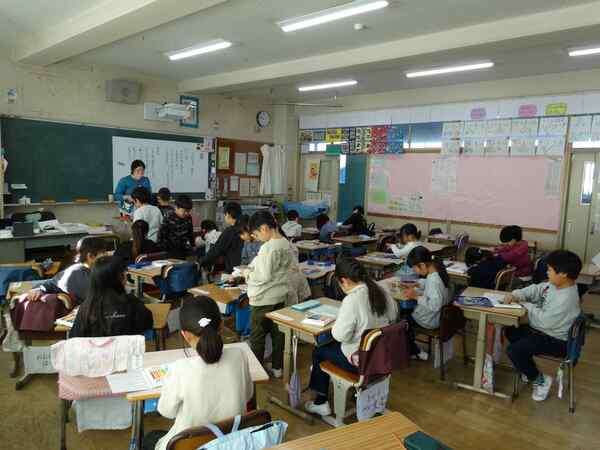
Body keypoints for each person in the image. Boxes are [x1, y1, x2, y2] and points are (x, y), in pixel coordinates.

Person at [142, 296, 253, 450]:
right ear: (221, 326)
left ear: (185, 335)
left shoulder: (180, 368)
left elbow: (166, 411)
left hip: (190, 445)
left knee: (149, 439)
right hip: (230, 443)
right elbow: (247, 395)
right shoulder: (239, 355)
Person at [305, 258, 398, 416]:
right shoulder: (380, 289)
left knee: (319, 351)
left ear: (344, 280)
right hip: (382, 357)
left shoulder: (352, 300)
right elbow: (393, 316)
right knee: (332, 348)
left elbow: (339, 335)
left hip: (362, 362)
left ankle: (321, 402)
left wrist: (341, 322)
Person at [502, 250, 582, 402]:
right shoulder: (556, 285)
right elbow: (538, 289)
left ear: (563, 274)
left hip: (558, 341)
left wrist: (525, 305)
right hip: (546, 332)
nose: (547, 272)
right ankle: (527, 368)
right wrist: (516, 295)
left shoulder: (566, 298)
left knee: (514, 350)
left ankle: (541, 380)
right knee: (511, 331)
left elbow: (544, 321)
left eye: (550, 270)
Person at [243, 211, 296, 378]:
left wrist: (247, 274)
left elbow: (263, 276)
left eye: (257, 234)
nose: (258, 238)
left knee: (257, 336)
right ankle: (277, 367)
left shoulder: (269, 247)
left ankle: (257, 370)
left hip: (263, 299)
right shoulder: (285, 242)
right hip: (280, 296)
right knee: (277, 334)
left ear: (264, 228)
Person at [70, 256, 153, 337]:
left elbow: (74, 337)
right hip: (128, 346)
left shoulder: (86, 308)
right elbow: (148, 324)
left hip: (96, 347)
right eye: (124, 274)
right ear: (120, 278)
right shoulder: (132, 303)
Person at [23, 238, 106, 305]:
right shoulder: (80, 274)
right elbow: (100, 299)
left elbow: (52, 282)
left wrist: (39, 289)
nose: (107, 255)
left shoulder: (79, 268)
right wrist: (39, 289)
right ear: (90, 256)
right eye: (103, 252)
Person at [403, 246, 450, 360]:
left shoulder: (434, 281)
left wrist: (415, 296)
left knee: (400, 322)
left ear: (423, 265)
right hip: (436, 317)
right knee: (405, 314)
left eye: (415, 268)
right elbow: (429, 283)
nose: (414, 271)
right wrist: (418, 284)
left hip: (428, 320)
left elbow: (435, 305)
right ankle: (411, 346)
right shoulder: (437, 272)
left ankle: (415, 351)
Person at [199, 202, 243, 274]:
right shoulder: (244, 228)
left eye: (224, 215)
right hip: (244, 267)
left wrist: (202, 262)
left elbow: (216, 250)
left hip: (233, 269)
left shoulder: (229, 231)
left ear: (228, 215)